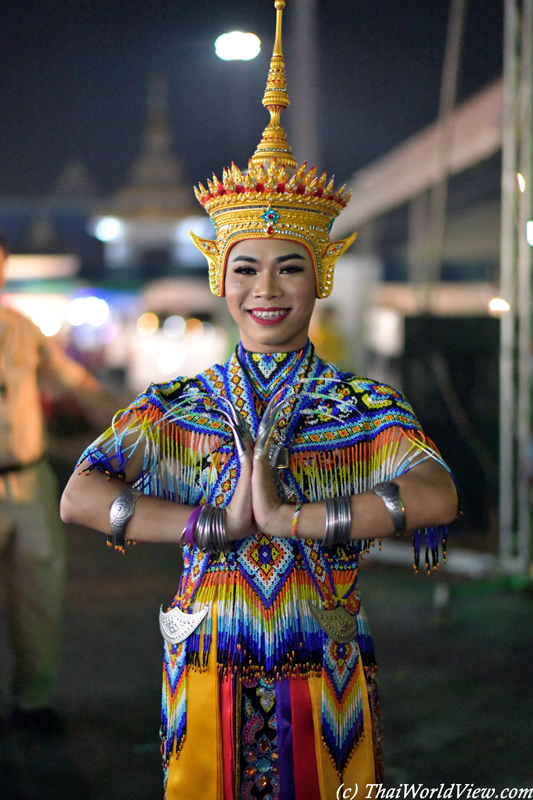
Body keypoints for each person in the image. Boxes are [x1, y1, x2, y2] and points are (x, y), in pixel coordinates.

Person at [61, 1, 458, 796]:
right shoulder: (177, 404)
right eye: (245, 268)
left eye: (289, 267)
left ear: (321, 276)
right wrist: (215, 524)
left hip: (326, 673)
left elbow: (435, 493)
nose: (265, 289)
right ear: (220, 279)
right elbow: (80, 493)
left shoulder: (363, 405)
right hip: (208, 666)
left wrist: (296, 521)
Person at [0, 234, 117, 734]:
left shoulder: (20, 329)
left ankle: (33, 701)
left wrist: (137, 423)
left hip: (28, 481)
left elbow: (73, 383)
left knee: (40, 597)